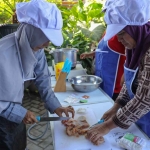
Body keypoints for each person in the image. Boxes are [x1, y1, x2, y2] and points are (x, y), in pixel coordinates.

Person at [0, 0, 74, 149]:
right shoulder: (3, 52)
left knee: (18, 143)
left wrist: (56, 107)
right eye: (45, 37)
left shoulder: (36, 49)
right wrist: (19, 112)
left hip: (15, 109)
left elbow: (43, 79)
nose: (47, 44)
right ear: (32, 31)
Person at [86, 0, 150, 145]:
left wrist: (107, 126)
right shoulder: (134, 46)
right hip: (141, 119)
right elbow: (130, 83)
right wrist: (116, 106)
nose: (119, 40)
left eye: (121, 34)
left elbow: (145, 99)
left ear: (135, 28)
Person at [80, 34, 125, 101]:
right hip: (102, 77)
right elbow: (103, 50)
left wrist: (125, 74)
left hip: (115, 82)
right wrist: (90, 54)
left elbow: (134, 54)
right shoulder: (107, 32)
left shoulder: (124, 33)